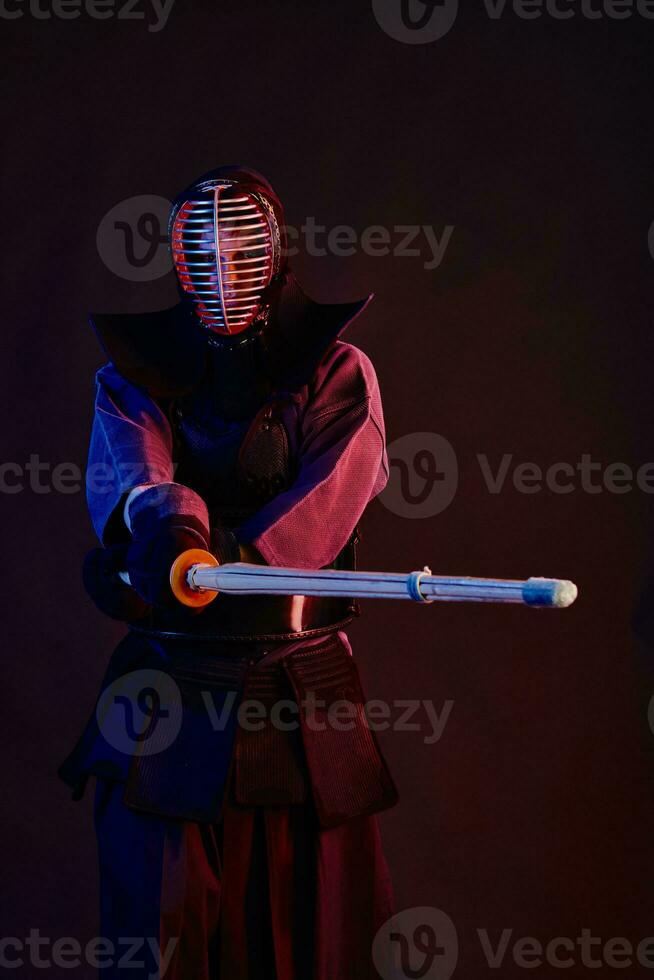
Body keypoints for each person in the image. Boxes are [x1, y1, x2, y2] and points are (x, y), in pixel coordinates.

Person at [60, 166, 397, 979]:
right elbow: (139, 474)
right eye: (199, 251)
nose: (219, 268)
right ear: (178, 264)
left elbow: (337, 490)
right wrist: (175, 536)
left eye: (238, 246)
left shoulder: (336, 373)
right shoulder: (131, 379)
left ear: (274, 254)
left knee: (311, 925)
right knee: (161, 926)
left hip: (298, 686)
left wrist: (249, 565)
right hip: (170, 681)